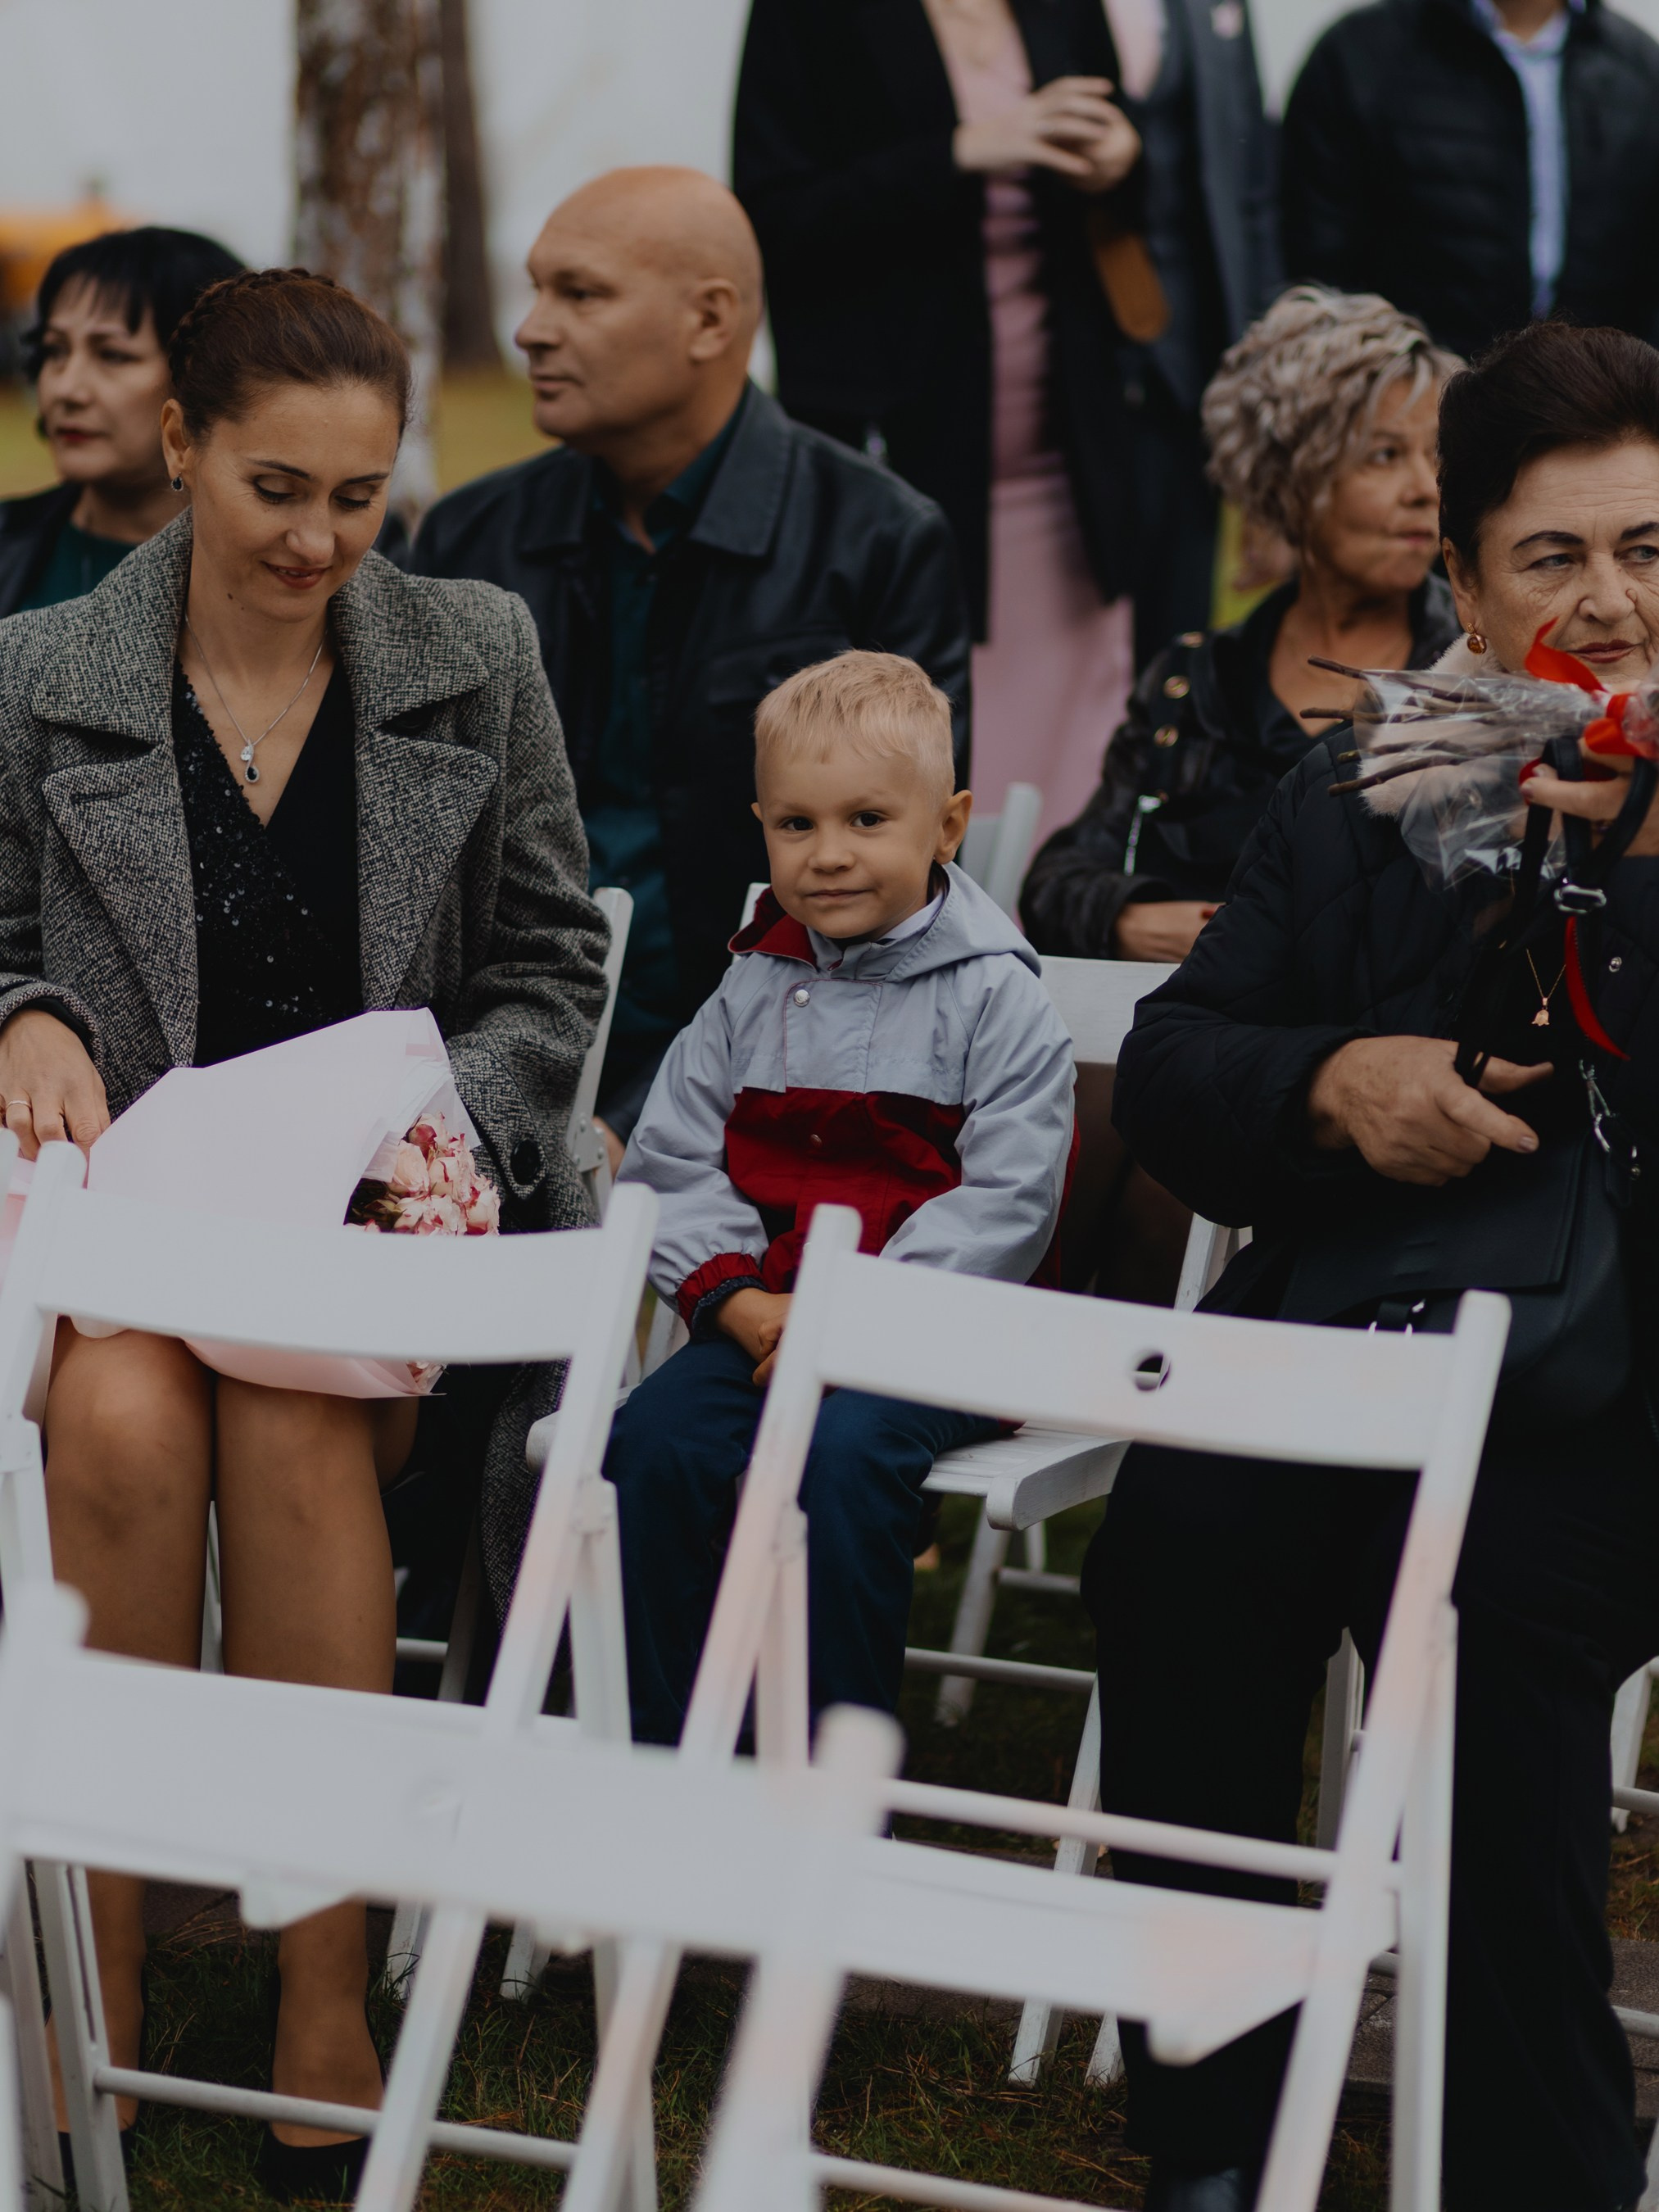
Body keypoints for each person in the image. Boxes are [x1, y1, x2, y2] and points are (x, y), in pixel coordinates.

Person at [0, 267, 607, 2201]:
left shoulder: (471, 651)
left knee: (289, 1418)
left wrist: (448, 1133)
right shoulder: (34, 673)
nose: (319, 540)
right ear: (183, 446)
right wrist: (20, 1013)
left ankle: (321, 1991)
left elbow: (549, 958)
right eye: (278, 489)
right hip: (133, 1224)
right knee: (117, 1422)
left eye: (359, 496)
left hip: (366, 1232)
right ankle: (86, 1963)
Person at [1093, 319, 1659, 2210]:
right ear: (1467, 591)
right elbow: (1174, 1061)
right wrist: (1336, 1085)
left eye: (1649, 548)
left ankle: (1536, 2167)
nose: (1609, 600)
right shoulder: (1369, 782)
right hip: (1359, 1327)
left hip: (1617, 1393)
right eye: (1554, 556)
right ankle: (1212, 2133)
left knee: (1482, 1605)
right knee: (1178, 1538)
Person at [411, 167, 972, 1153]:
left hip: (780, 1069)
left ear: (710, 320)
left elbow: (899, 877)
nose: (531, 330)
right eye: (537, 290)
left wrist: (647, 1117)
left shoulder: (877, 538)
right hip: (487, 1056)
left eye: (580, 294)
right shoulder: (470, 538)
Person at [605, 650, 1072, 1743]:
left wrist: (852, 1323)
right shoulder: (751, 986)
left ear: (947, 826)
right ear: (762, 826)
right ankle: (651, 1760)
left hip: (938, 1335)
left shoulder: (997, 998)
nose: (828, 855)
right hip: (766, 1320)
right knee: (655, 1445)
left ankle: (825, 1769)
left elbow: (1007, 1199)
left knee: (842, 1455)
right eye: (796, 825)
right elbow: (673, 1157)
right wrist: (737, 1301)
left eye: (867, 820)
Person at [732, 0, 1281, 834]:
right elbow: (773, 217)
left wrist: (1118, 159)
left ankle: (1062, 898)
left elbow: (1129, 196)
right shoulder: (809, 14)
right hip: (903, 442)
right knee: (912, 725)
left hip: (1070, 450)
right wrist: (961, 151)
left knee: (1085, 726)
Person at [1022, 287, 1462, 966]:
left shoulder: (1476, 673)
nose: (1425, 488)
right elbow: (1058, 881)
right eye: (1383, 455)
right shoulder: (1193, 683)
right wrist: (1129, 919)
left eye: (1435, 456)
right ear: (1289, 477)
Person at [1281, 0, 1659, 365]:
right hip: (1410, 393)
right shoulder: (1359, 56)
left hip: (1590, 396)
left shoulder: (1641, 71)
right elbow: (1315, 281)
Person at [0, 226, 244, 618]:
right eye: (55, 351)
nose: (67, 388)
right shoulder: (11, 541)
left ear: (202, 376)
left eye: (112, 355)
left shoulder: (279, 565)